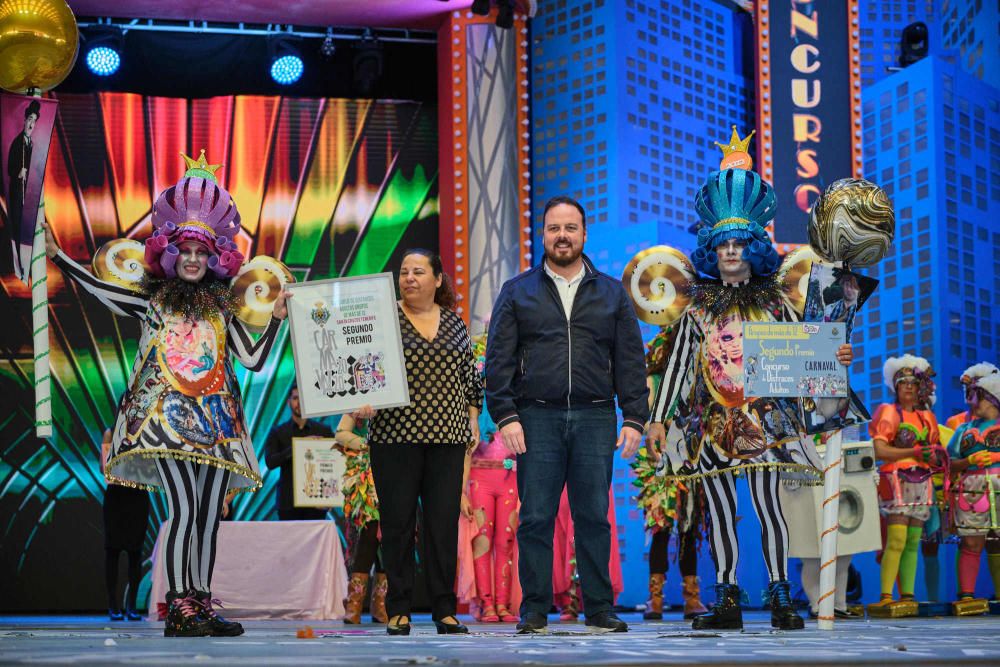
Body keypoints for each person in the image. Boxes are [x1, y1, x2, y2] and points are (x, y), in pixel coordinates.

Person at [43, 151, 288, 638]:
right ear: (171, 253)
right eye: (186, 251)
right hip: (166, 416)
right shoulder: (153, 298)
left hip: (219, 422)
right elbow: (98, 288)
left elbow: (254, 359)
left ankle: (198, 600)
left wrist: (278, 320)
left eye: (203, 252)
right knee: (184, 506)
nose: (194, 259)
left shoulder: (224, 307)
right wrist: (57, 257)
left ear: (216, 256)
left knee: (208, 515)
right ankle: (179, 606)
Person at [646, 144, 854, 631]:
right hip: (710, 422)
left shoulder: (779, 304)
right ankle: (727, 599)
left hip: (764, 421)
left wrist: (835, 357)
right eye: (723, 245)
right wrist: (657, 420)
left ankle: (780, 595)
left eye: (739, 243)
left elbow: (811, 354)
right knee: (719, 511)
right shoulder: (697, 309)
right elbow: (677, 366)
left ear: (753, 247)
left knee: (768, 507)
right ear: (711, 251)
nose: (731, 251)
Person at [485, 195, 648, 634]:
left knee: (593, 516)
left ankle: (599, 609)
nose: (562, 236)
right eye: (554, 228)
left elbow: (631, 360)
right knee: (536, 516)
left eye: (570, 228)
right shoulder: (517, 291)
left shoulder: (612, 292)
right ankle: (534, 609)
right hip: (535, 418)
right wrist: (505, 415)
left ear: (583, 234)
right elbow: (498, 360)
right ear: (543, 234)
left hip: (596, 417)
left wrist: (634, 417)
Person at [356, 249, 482, 636]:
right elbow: (359, 363)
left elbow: (470, 378)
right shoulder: (382, 319)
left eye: (418, 271)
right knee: (397, 525)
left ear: (438, 279)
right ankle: (399, 609)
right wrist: (357, 397)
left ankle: (445, 609)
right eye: (404, 272)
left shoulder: (456, 323)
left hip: (447, 437)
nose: (409, 278)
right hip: (395, 437)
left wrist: (473, 417)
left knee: (443, 526)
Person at [633, 329, 707, 621]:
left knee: (689, 529)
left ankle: (692, 597)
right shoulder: (651, 382)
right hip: (659, 463)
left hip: (690, 460)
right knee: (661, 529)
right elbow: (646, 418)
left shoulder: (696, 382)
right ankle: (655, 598)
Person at [868, 354, 943, 617]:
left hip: (922, 480)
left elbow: (934, 452)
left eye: (913, 382)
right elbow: (879, 449)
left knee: (913, 540)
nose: (909, 387)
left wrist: (932, 457)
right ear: (896, 386)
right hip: (895, 479)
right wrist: (913, 453)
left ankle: (907, 595)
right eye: (903, 383)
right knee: (897, 539)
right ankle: (886, 595)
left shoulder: (927, 417)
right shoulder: (888, 412)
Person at [947, 369, 1000, 605]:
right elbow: (949, 462)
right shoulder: (962, 429)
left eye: (978, 394)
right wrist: (970, 461)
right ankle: (966, 595)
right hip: (972, 490)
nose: (973, 400)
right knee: (971, 542)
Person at [334, 412, 387, 624]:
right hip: (368, 479)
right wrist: (368, 445)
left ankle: (380, 605)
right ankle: (354, 604)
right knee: (368, 536)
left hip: (398, 472)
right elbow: (341, 434)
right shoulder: (362, 398)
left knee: (392, 539)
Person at [264, 384, 335, 521]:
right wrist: (298, 447)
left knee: (316, 543)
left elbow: (333, 463)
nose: (299, 403)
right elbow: (270, 462)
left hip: (317, 501)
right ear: (288, 402)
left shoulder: (323, 430)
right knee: (289, 543)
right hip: (288, 503)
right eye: (296, 398)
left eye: (303, 398)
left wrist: (331, 495)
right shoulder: (278, 432)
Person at [101, 427, 150, 621]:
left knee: (135, 552)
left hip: (138, 495)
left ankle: (132, 605)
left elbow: (151, 466)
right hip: (116, 496)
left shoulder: (146, 433)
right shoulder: (110, 433)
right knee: (112, 550)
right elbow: (102, 468)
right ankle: (113, 605)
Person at [6, 99, 39, 277]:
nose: (32, 124)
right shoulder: (18, 143)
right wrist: (19, 172)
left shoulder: (31, 144)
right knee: (18, 228)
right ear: (24, 121)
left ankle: (28, 264)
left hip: (28, 193)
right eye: (30, 120)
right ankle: (19, 265)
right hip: (17, 193)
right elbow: (9, 169)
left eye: (35, 121)